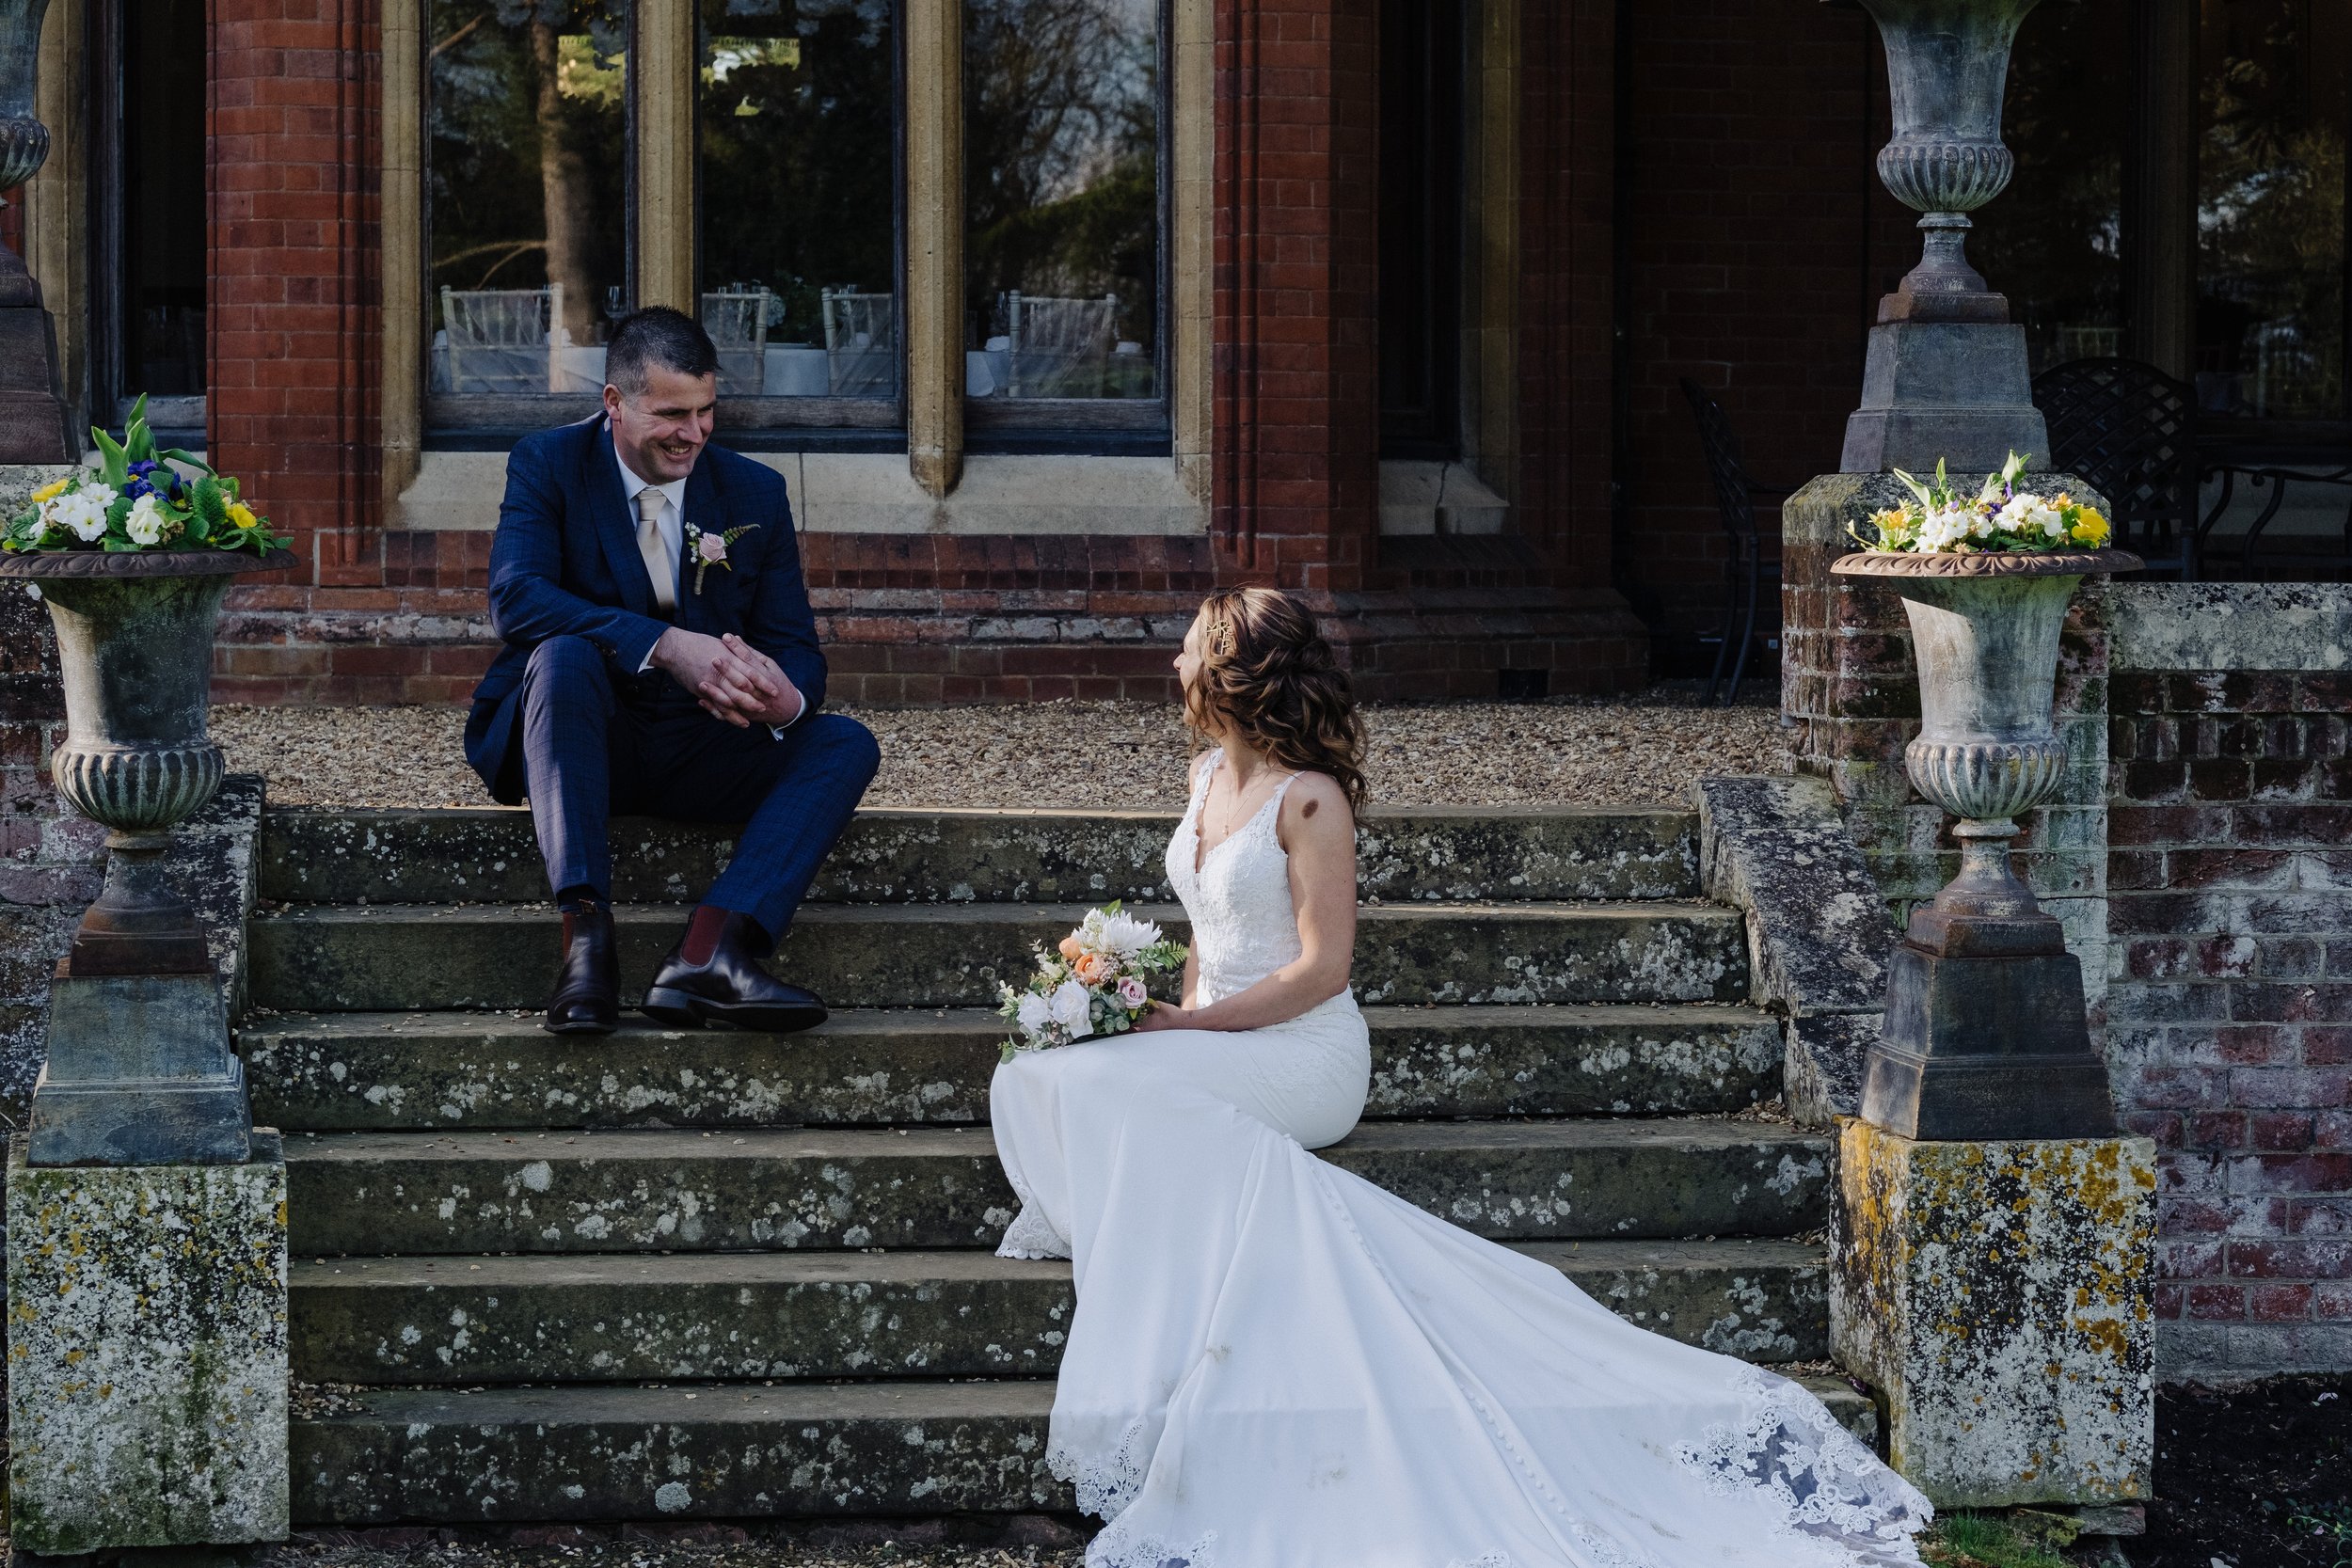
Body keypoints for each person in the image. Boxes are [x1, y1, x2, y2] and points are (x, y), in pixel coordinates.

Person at [988, 586, 1933, 1568]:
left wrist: (1186, 1028)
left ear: (1231, 672)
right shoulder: (1198, 776)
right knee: (1039, 1070)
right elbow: (1201, 938)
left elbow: (1321, 969)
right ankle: (1120, 1193)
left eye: (1189, 650)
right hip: (1211, 1027)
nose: (1174, 665)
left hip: (1299, 1050)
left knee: (1114, 1085)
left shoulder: (1311, 797)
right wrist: (1150, 1014)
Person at [462, 307, 880, 1037]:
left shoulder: (754, 492)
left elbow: (797, 646)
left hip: (699, 744)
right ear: (614, 403)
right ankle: (586, 943)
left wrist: (785, 698)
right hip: (580, 736)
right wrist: (667, 644)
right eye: (672, 414)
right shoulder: (546, 464)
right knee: (559, 653)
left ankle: (712, 953)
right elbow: (517, 599)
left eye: (707, 410)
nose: (695, 433)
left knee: (844, 742)